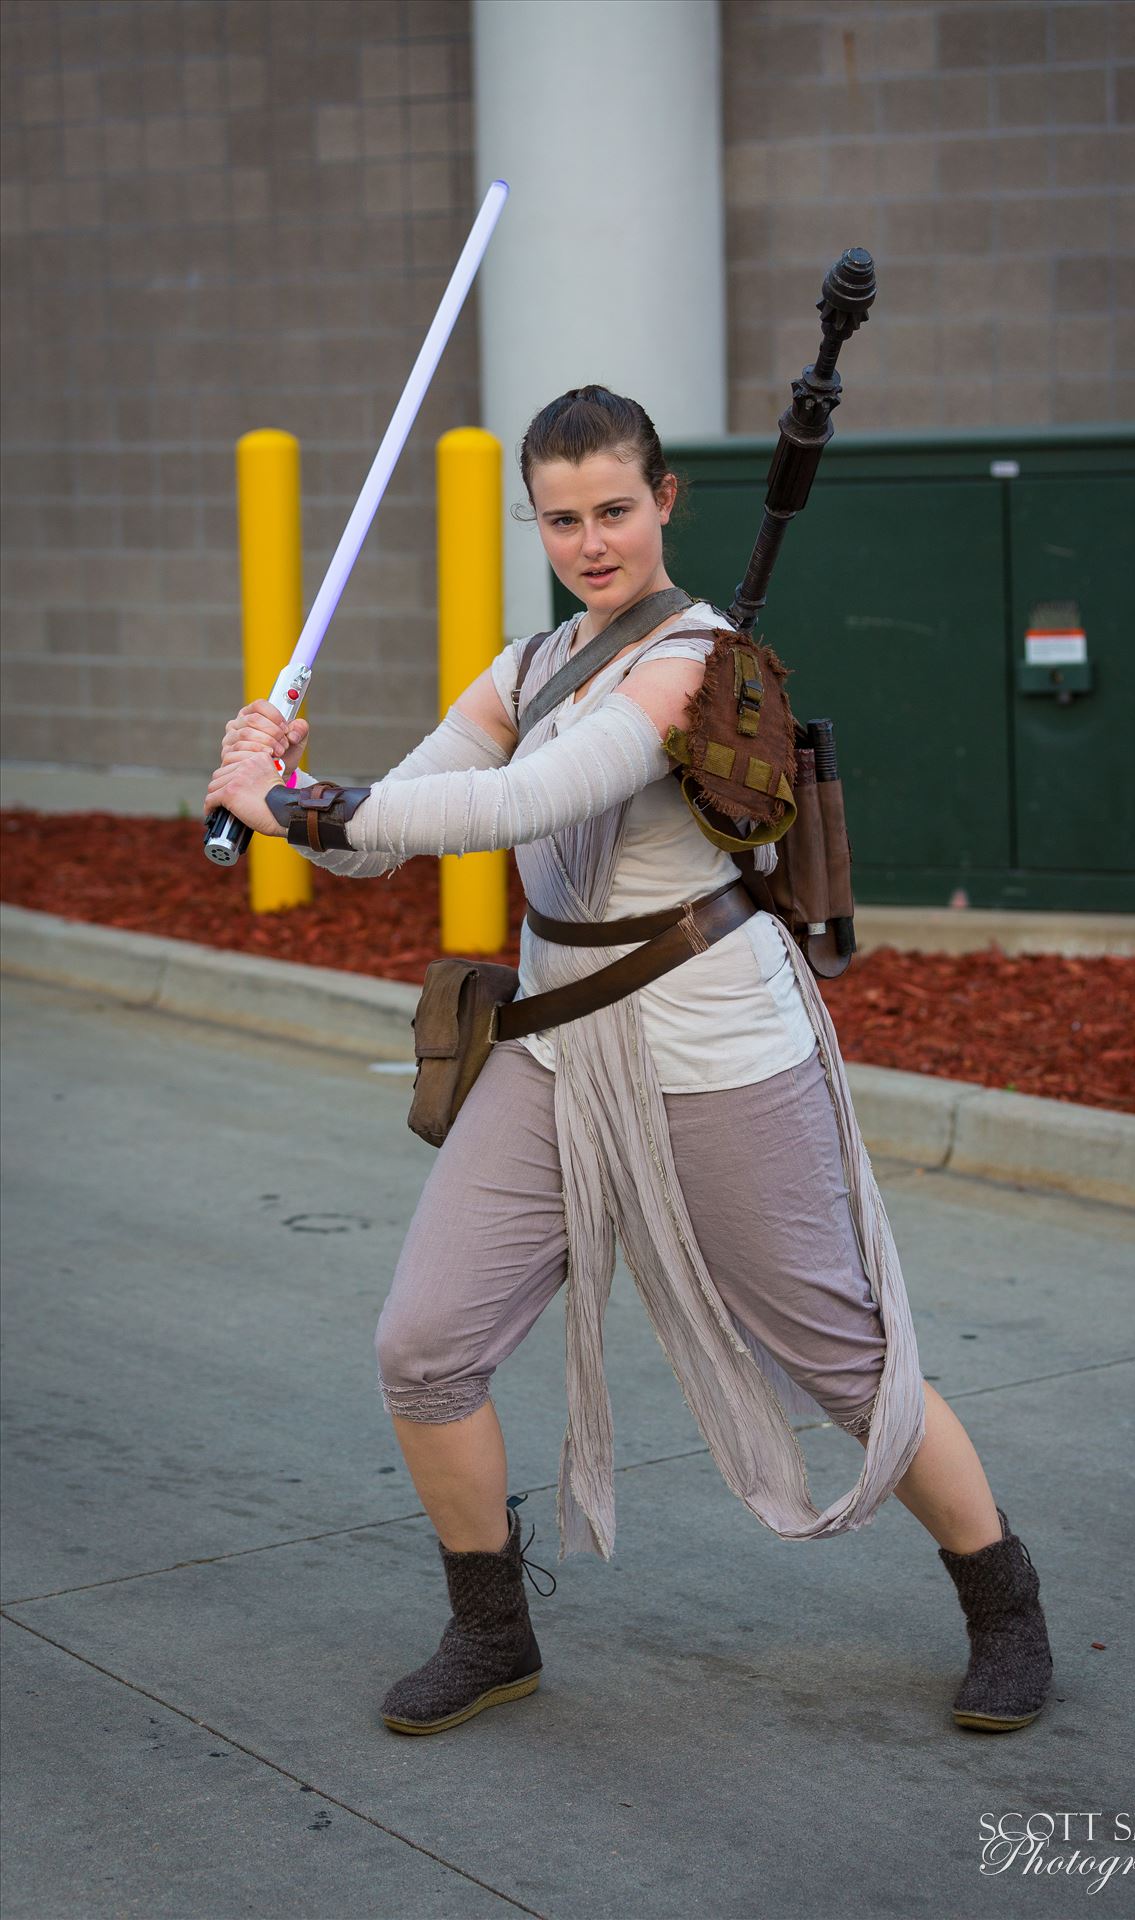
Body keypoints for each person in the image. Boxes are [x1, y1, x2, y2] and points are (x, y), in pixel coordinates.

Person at [206, 385, 1054, 1741]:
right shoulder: (526, 668)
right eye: (562, 518)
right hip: (553, 1059)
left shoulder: (695, 660)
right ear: (532, 522)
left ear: (665, 500)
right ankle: (492, 1631)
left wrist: (298, 802)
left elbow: (524, 801)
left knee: (841, 1361)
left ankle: (1003, 1599)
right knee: (423, 1348)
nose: (591, 540)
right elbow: (380, 842)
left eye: (614, 509)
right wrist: (291, 788)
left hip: (717, 1051)